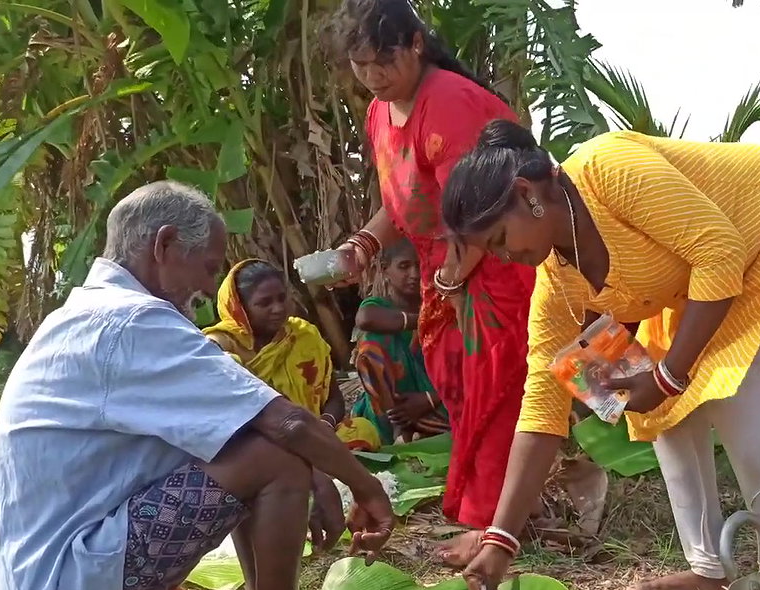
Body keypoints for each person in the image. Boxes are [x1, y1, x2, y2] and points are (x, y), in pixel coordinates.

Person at [439, 121, 760, 590]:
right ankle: (710, 570)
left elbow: (718, 250)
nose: (506, 258)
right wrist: (500, 539)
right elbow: (541, 404)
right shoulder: (558, 283)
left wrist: (669, 375)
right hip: (709, 268)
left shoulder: (606, 168)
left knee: (740, 402)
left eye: (500, 239)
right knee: (655, 409)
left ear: (527, 195)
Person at [0, 182, 393, 590]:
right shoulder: (133, 322)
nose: (206, 289)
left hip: (40, 581)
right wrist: (366, 486)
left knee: (248, 442)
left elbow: (239, 427)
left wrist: (319, 471)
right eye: (205, 267)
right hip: (70, 582)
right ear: (165, 245)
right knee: (274, 455)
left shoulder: (86, 315)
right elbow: (284, 422)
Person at [324, 0, 532, 532]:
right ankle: (478, 507)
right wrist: (363, 246)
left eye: (384, 61)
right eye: (360, 64)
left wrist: (449, 282)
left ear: (416, 44)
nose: (372, 76)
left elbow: (480, 214)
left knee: (494, 387)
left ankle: (494, 523)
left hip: (498, 263)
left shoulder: (448, 104)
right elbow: (403, 202)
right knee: (459, 386)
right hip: (447, 271)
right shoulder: (378, 111)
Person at [204, 259, 381, 451]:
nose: (278, 308)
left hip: (315, 435)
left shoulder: (303, 335)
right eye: (264, 303)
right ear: (240, 309)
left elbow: (333, 397)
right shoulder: (220, 346)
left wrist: (326, 424)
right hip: (267, 446)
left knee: (362, 429)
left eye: (282, 298)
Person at [352, 240, 449, 443]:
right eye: (404, 266)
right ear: (386, 270)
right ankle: (395, 427)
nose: (414, 274)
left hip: (437, 397)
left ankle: (419, 429)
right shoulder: (378, 305)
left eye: (420, 265)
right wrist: (427, 322)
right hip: (393, 404)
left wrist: (431, 398)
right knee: (372, 343)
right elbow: (365, 319)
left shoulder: (445, 305)